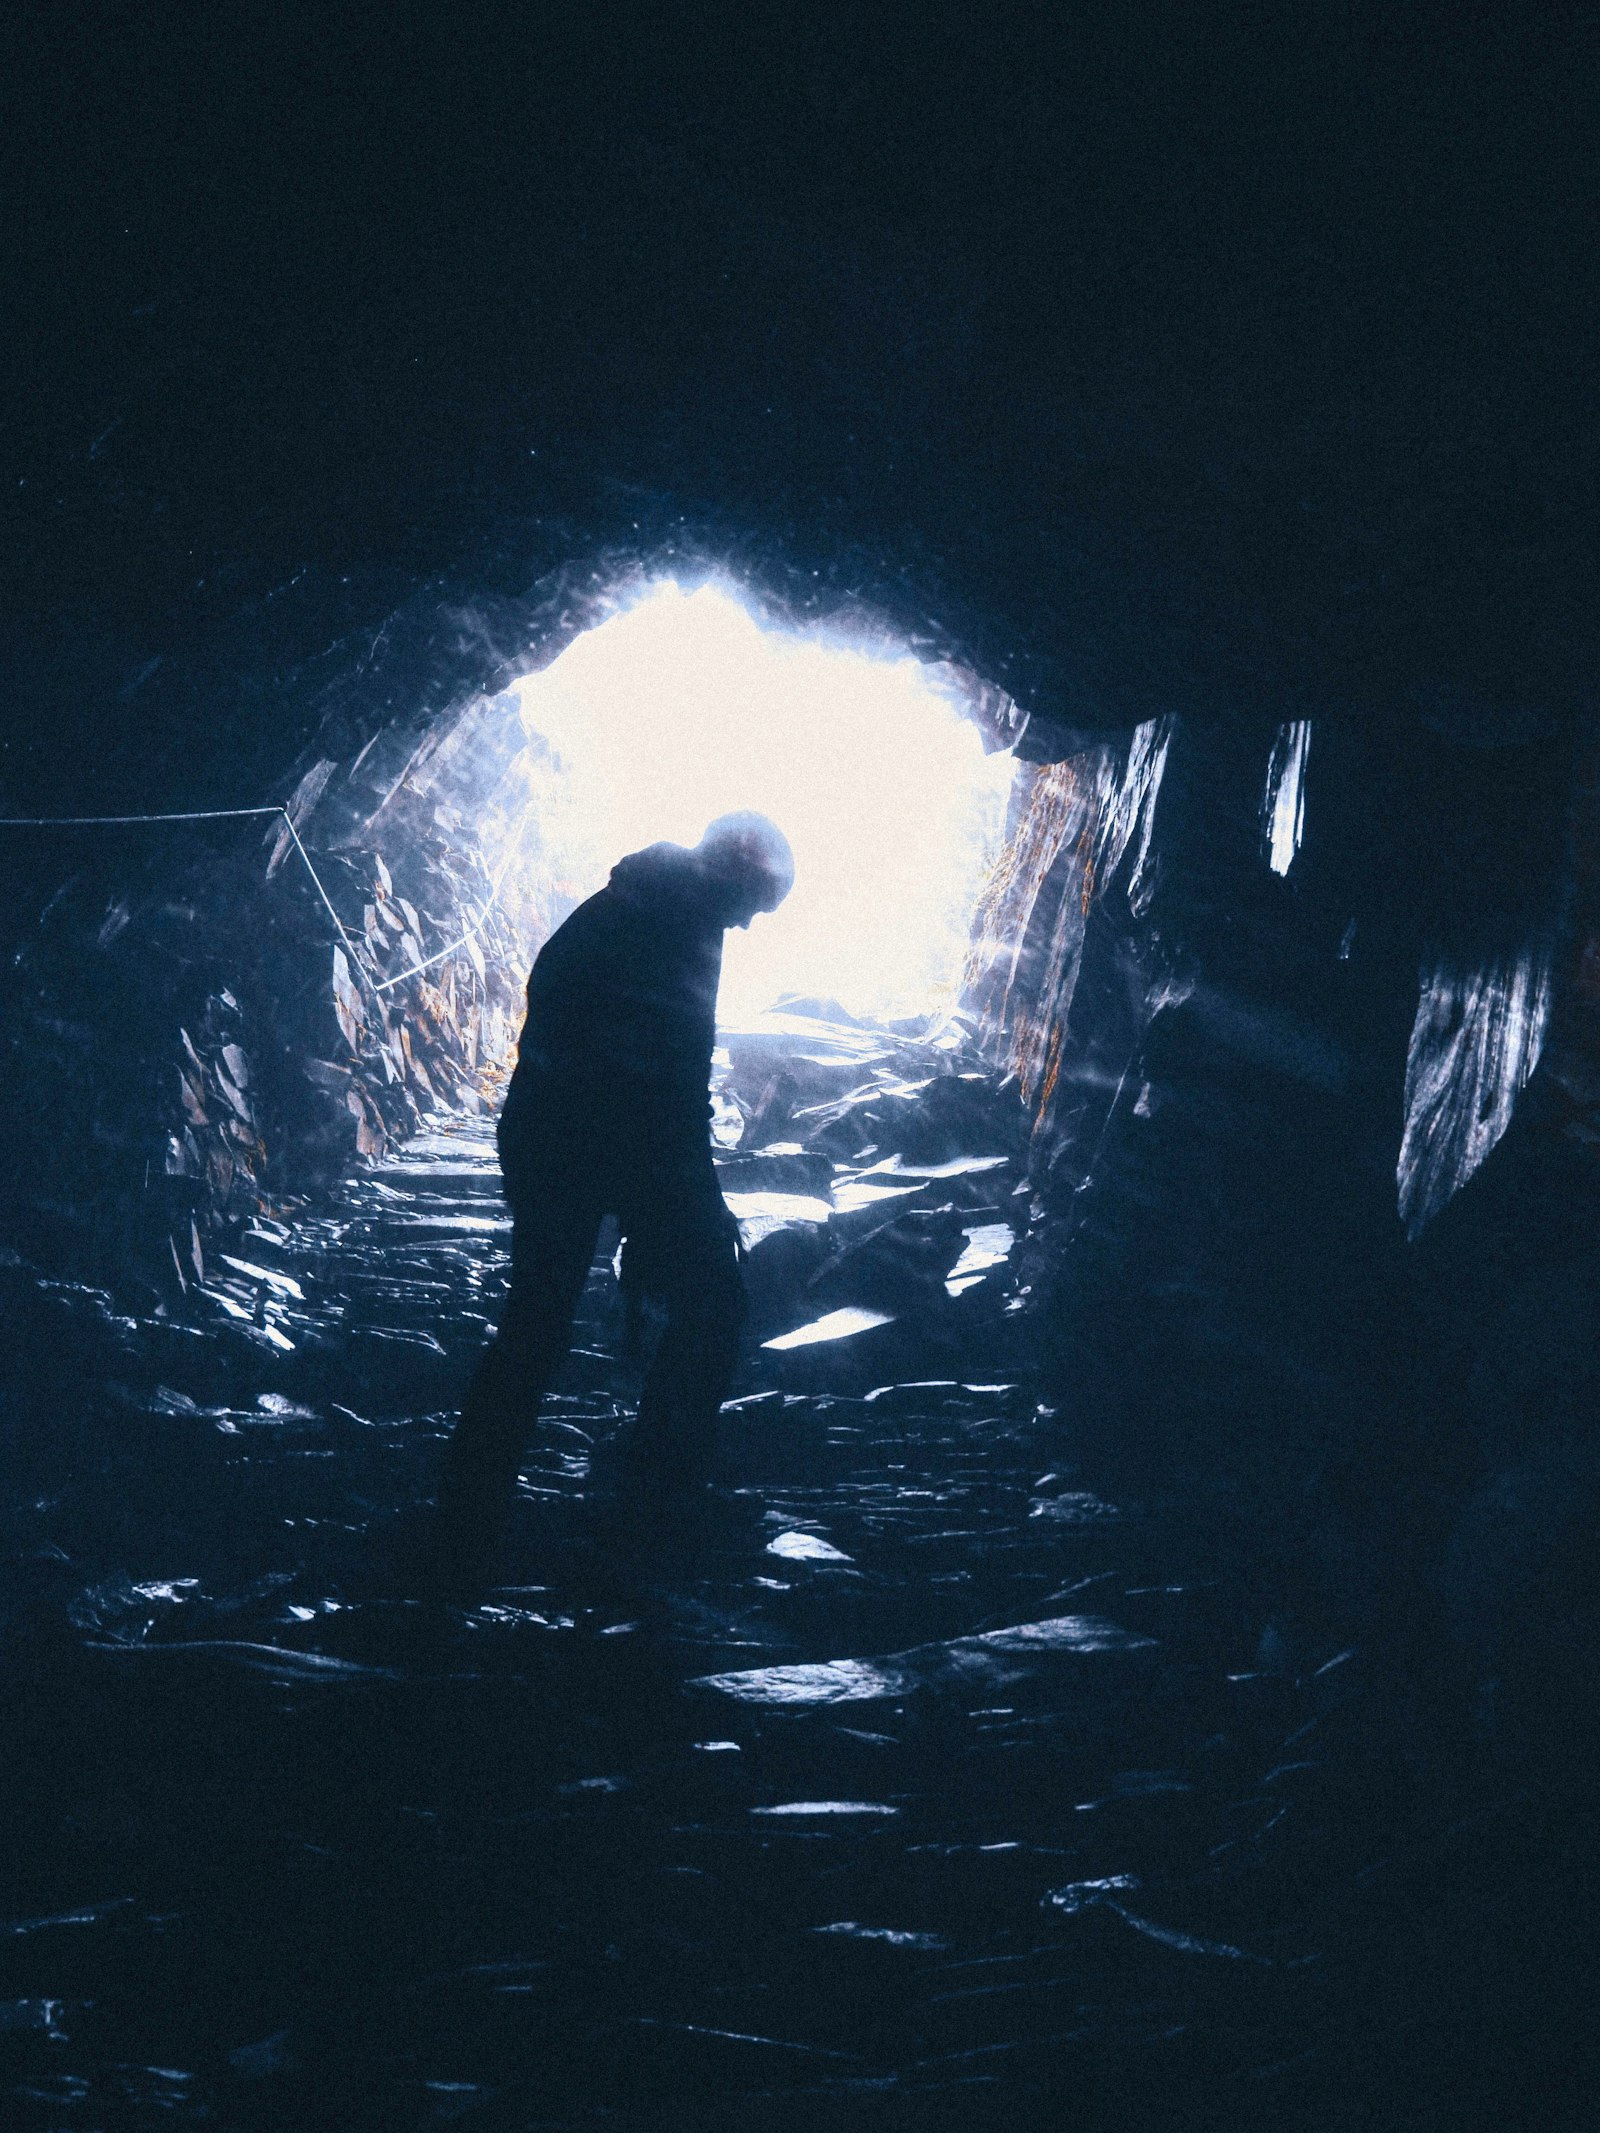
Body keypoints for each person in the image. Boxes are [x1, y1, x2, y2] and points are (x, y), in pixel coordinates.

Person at [432, 810, 794, 1582]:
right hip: (593, 1146)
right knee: (709, 1302)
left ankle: (468, 1509)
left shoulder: (642, 904)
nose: (751, 923)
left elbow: (601, 1039)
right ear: (735, 872)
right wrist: (690, 1198)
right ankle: (655, 1492)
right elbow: (674, 1076)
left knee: (536, 1327)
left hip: (560, 1141)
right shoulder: (677, 922)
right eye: (757, 903)